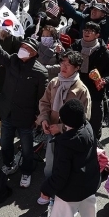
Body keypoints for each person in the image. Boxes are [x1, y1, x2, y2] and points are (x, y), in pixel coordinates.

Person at [0, 28, 48, 188]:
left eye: (28, 49)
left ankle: (26, 171)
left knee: (27, 148)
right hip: (7, 112)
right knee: (6, 143)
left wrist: (37, 117)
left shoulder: (40, 73)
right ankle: (9, 164)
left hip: (26, 117)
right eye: (23, 46)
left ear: (34, 54)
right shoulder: (13, 60)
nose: (23, 49)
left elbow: (42, 98)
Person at [39, 99, 102, 217]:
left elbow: (60, 175)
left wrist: (46, 189)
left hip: (69, 193)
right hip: (89, 185)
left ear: (66, 122)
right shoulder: (88, 127)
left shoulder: (65, 146)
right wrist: (61, 134)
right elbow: (76, 138)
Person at [37, 50, 92, 184]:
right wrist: (44, 119)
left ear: (77, 67)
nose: (63, 67)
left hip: (70, 136)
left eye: (68, 65)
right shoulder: (54, 82)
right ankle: (49, 189)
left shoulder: (82, 90)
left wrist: (61, 128)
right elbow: (44, 102)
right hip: (51, 132)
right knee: (50, 163)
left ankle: (61, 193)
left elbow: (84, 118)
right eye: (62, 63)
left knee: (65, 166)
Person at [70, 21, 109, 138]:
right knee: (74, 119)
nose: (86, 32)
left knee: (94, 122)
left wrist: (105, 80)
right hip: (75, 89)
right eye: (85, 30)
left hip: (95, 92)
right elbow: (66, 62)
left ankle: (94, 145)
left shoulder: (103, 51)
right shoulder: (75, 46)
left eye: (90, 31)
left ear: (97, 35)